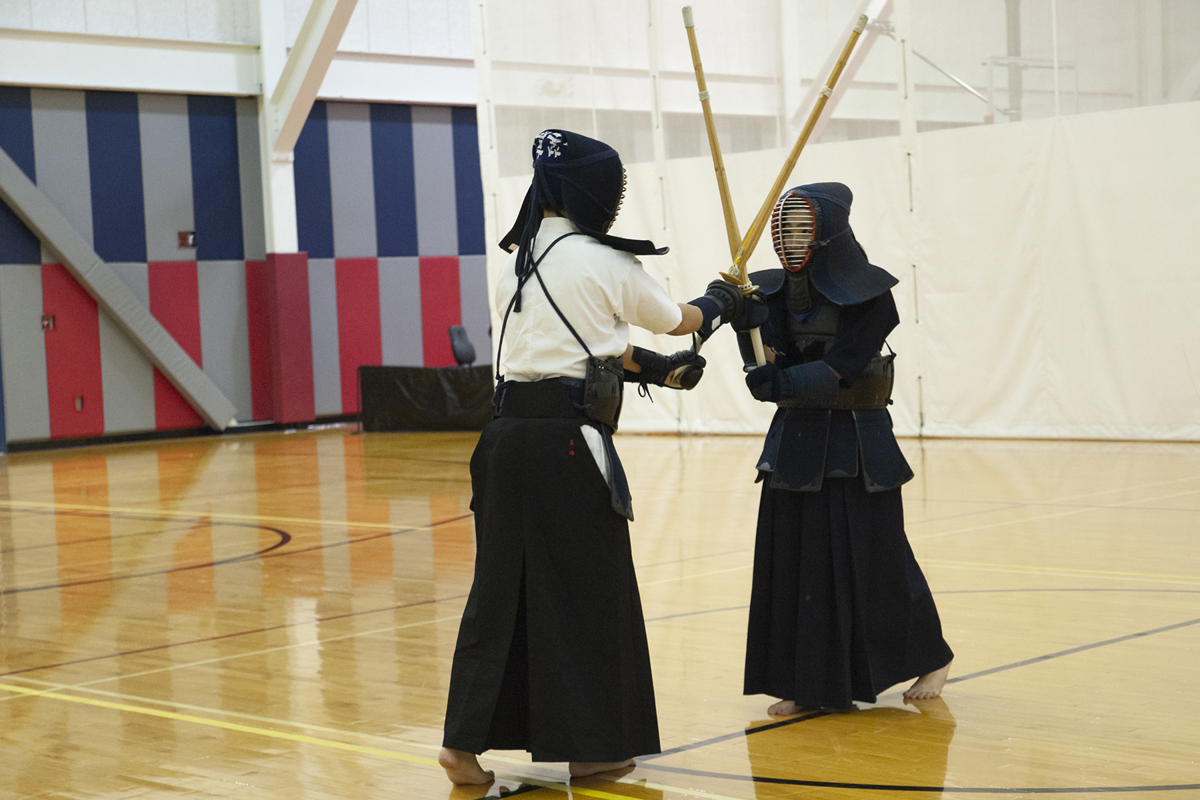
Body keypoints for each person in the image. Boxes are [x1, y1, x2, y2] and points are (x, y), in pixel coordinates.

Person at [440, 129, 757, 785]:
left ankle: (461, 745)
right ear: (596, 193)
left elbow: (591, 345)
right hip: (567, 445)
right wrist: (725, 298)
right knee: (590, 597)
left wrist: (661, 372)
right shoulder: (606, 262)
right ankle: (593, 749)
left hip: (502, 443)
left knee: (497, 595)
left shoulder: (517, 262)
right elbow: (679, 318)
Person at [738, 182, 953, 715]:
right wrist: (753, 342)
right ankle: (808, 684)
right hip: (795, 440)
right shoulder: (770, 294)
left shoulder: (872, 294)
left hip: (857, 443)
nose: (790, 240)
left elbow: (847, 364)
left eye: (801, 229)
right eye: (783, 229)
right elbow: (775, 358)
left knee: (876, 557)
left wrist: (781, 384)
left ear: (827, 233)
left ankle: (934, 655)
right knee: (793, 560)